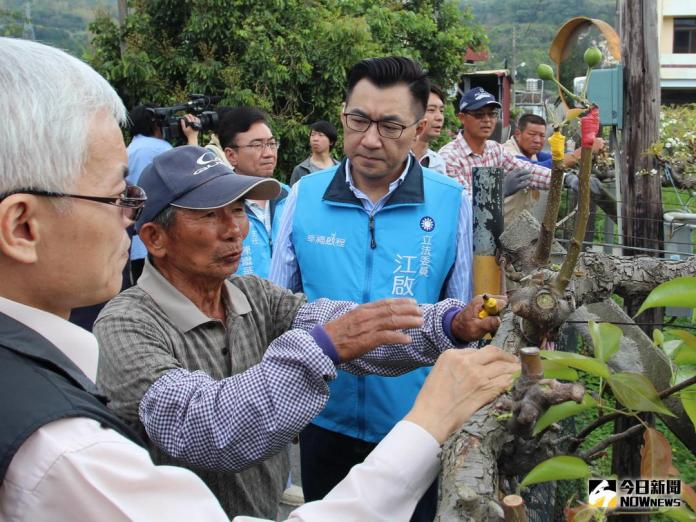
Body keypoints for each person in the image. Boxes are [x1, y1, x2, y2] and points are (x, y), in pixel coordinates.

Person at [0, 37, 519, 522]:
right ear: (156, 238)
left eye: (239, 209)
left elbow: (342, 324)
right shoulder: (121, 332)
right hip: (332, 432)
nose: (234, 230)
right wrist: (334, 357)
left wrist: (449, 323)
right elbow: (200, 424)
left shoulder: (249, 296)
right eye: (208, 215)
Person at [270, 56, 473, 522]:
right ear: (343, 113)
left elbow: (461, 319)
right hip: (323, 419)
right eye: (358, 120)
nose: (369, 139)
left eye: (390, 125)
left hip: (416, 426)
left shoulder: (450, 202)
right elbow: (275, 308)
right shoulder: (304, 195)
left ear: (420, 128)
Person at [439, 87, 554, 224]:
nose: (487, 120)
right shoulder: (449, 157)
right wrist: (499, 191)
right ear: (462, 118)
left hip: (491, 233)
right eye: (479, 115)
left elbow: (528, 171)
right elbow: (463, 206)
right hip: (463, 238)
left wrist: (563, 179)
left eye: (492, 114)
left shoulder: (495, 150)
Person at [126, 104, 200, 282]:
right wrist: (193, 138)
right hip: (161, 242)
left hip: (135, 244)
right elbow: (192, 179)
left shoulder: (129, 150)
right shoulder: (160, 149)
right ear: (155, 124)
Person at [217, 106, 288, 278]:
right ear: (231, 155)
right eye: (257, 145)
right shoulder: (220, 205)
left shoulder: (289, 195)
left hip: (287, 302)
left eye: (271, 144)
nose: (269, 153)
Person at [502, 112, 606, 221]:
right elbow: (540, 168)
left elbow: (555, 158)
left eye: (542, 135)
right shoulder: (508, 153)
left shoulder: (530, 152)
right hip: (501, 227)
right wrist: (585, 149)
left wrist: (581, 153)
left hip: (519, 226)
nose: (537, 140)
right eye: (532, 134)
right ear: (518, 134)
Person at [289, 120, 340, 186]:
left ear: (331, 142)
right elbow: (293, 195)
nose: (315, 139)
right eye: (312, 135)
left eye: (320, 135)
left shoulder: (340, 169)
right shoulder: (300, 170)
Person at [411, 83, 447, 174]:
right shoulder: (396, 159)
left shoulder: (438, 163)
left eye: (441, 111)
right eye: (431, 110)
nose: (440, 117)